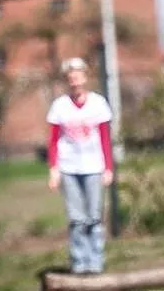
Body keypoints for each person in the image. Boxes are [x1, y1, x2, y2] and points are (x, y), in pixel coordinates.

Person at [46, 57, 114, 274]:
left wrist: (108, 168)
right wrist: (54, 169)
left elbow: (104, 138)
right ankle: (79, 262)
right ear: (67, 80)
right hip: (69, 169)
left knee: (94, 217)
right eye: (70, 77)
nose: (74, 81)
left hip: (94, 167)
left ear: (85, 77)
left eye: (78, 76)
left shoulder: (98, 103)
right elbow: (53, 140)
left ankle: (95, 262)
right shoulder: (59, 106)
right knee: (76, 219)